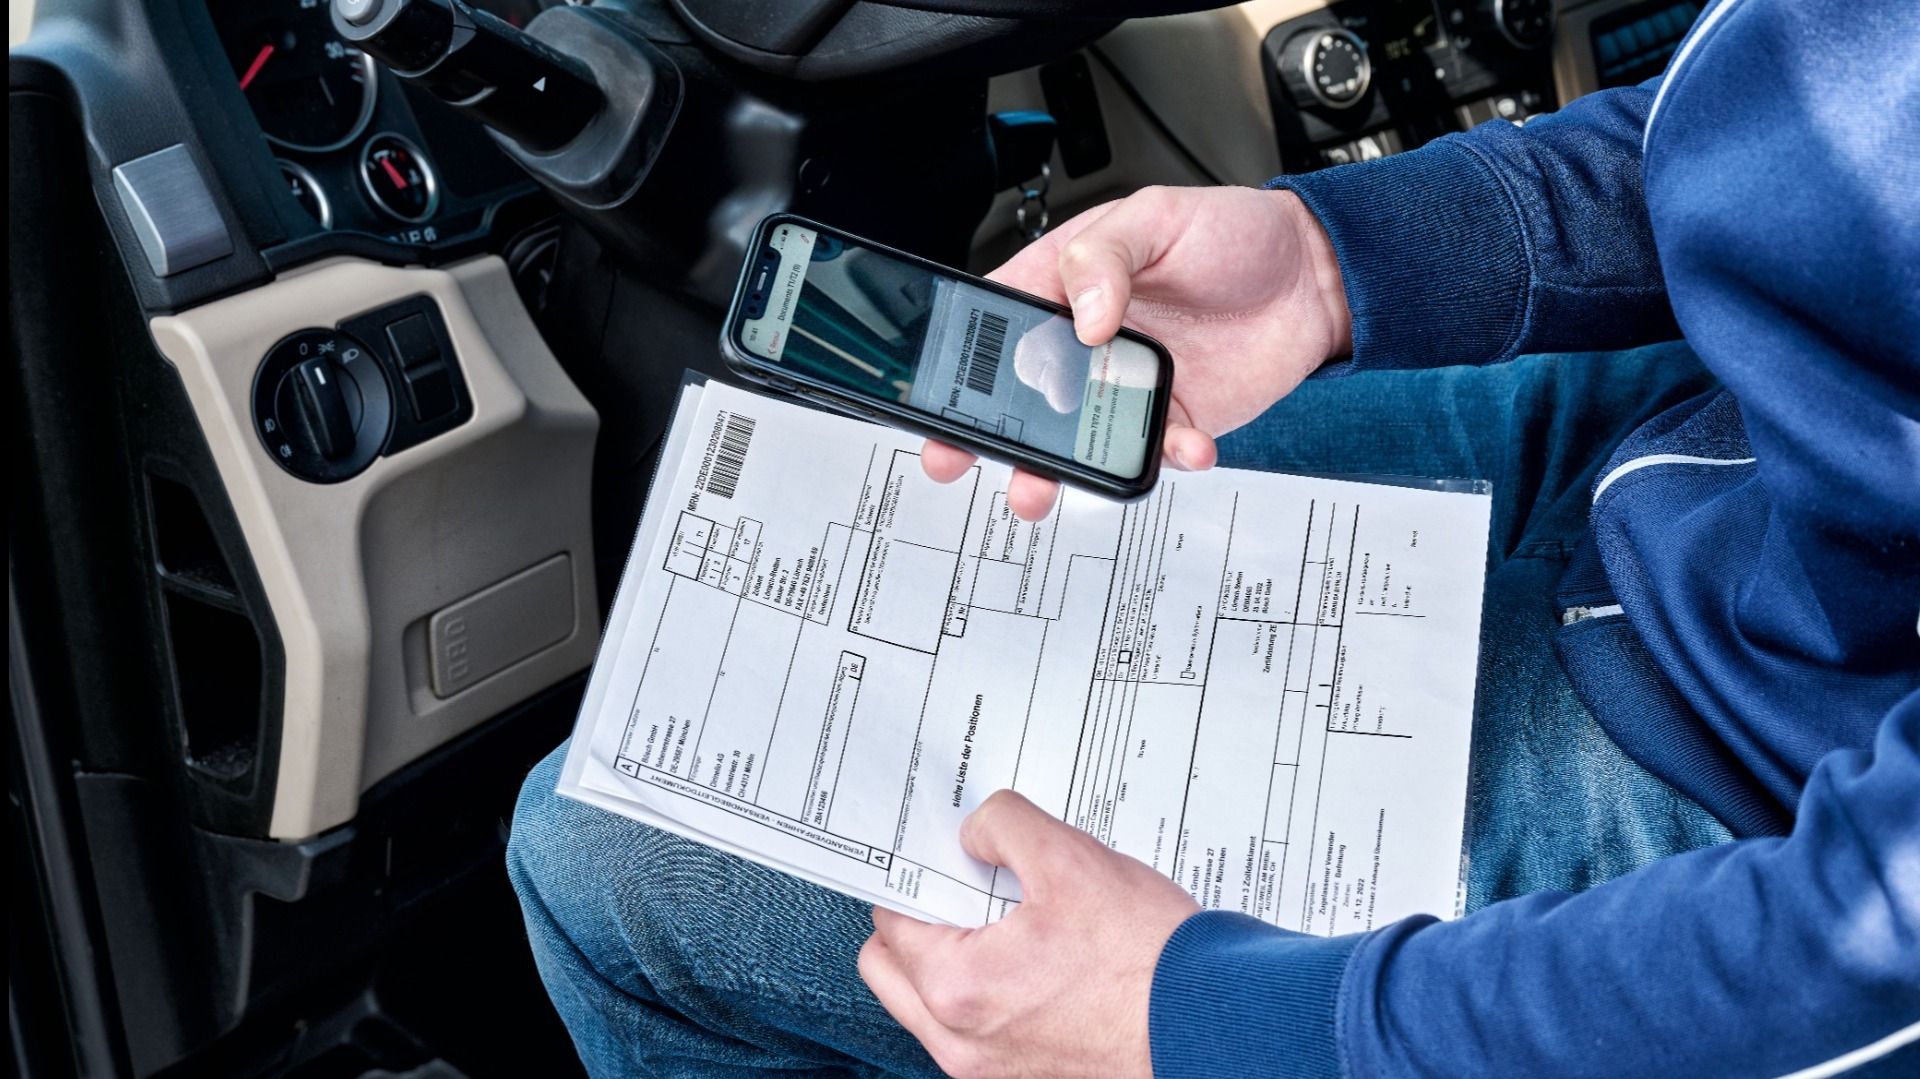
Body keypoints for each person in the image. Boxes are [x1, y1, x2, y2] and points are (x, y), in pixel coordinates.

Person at [507, 0, 1920, 1074]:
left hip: (1760, 778)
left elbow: (1878, 952)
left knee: (606, 867)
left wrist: (1208, 1018)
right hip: (1691, 430)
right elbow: (1796, 115)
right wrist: (1338, 260)